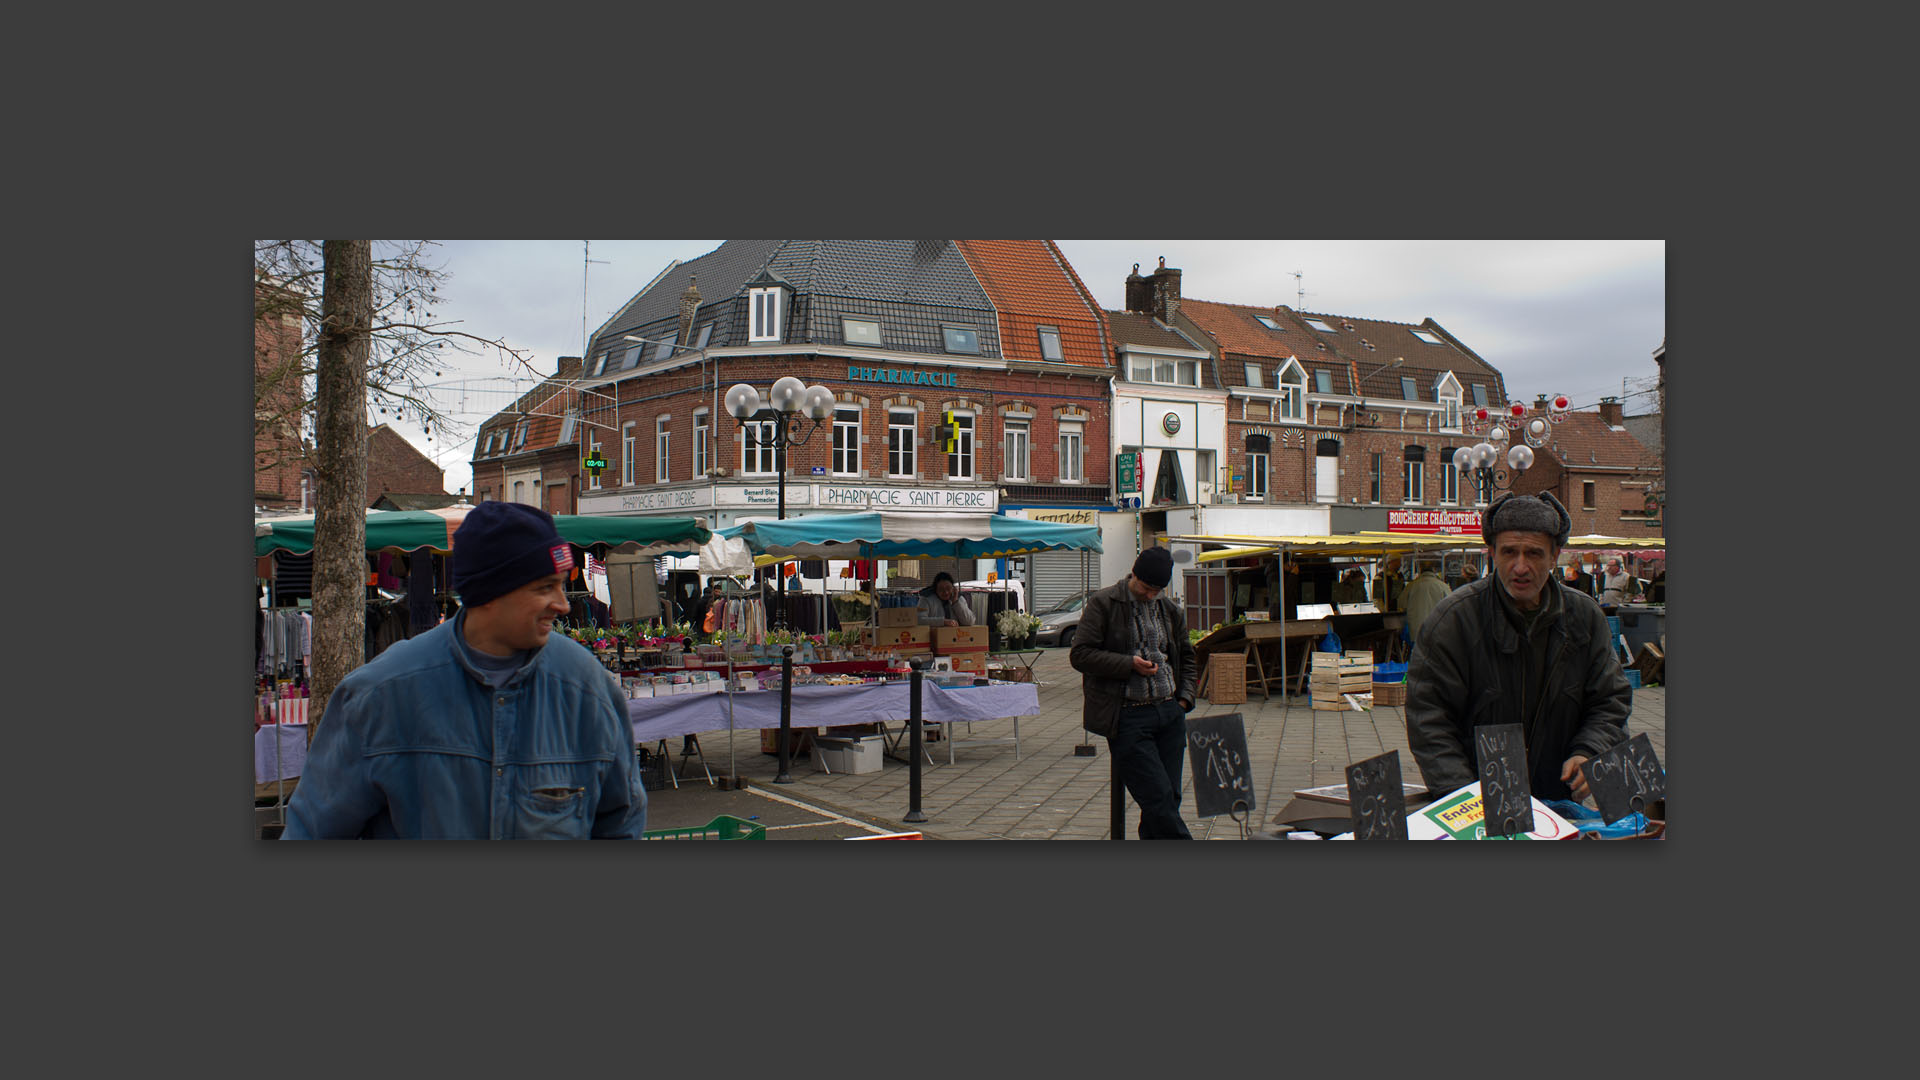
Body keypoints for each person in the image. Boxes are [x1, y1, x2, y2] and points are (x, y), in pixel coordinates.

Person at [283, 502, 646, 839]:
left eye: (562, 586)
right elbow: (311, 832)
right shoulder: (381, 695)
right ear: (490, 593)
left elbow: (621, 823)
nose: (563, 605)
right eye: (544, 588)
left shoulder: (587, 689)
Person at [1405, 492, 1631, 805]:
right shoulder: (1454, 620)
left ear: (1554, 557)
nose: (1520, 566)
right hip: (1478, 804)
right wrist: (1464, 799)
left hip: (1558, 804)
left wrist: (1589, 751)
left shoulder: (1584, 616)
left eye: (1534, 554)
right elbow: (1429, 720)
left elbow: (1610, 700)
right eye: (1509, 552)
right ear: (1492, 554)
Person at [1071, 546, 1198, 839]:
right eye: (1146, 587)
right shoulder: (1104, 603)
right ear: (1134, 574)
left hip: (1169, 712)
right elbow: (1080, 655)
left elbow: (1187, 657)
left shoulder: (1169, 610)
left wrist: (1184, 699)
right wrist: (1129, 664)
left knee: (1168, 801)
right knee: (1158, 798)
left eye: (1158, 590)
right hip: (1128, 715)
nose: (1151, 595)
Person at [1401, 560, 1450, 646]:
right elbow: (1450, 606)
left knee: (1418, 653)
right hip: (1437, 628)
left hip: (1416, 629)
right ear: (1434, 571)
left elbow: (1402, 604)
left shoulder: (1411, 586)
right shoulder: (1443, 586)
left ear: (1420, 571)